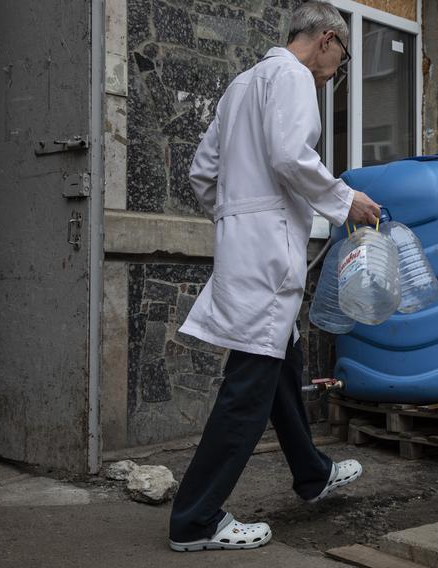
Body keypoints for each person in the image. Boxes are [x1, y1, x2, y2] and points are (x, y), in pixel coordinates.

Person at [168, 2, 381, 552]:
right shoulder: (291, 77)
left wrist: (236, 215)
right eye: (340, 60)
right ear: (328, 39)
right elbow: (290, 156)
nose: (334, 74)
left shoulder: (242, 85)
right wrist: (345, 200)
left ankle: (311, 472)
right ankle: (194, 519)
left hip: (244, 246)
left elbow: (202, 172)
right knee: (248, 388)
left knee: (280, 362)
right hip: (267, 253)